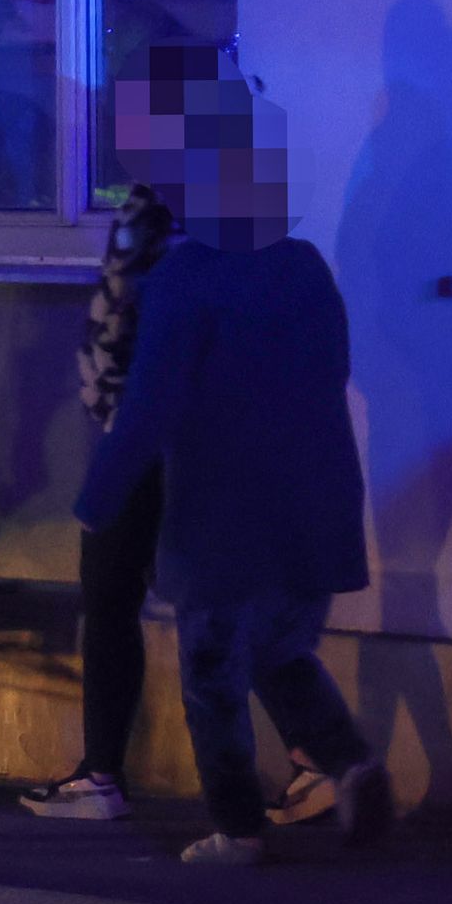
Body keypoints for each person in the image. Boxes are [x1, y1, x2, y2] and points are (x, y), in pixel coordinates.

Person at [72, 67, 392, 863]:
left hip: (223, 507)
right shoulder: (304, 265)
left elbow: (149, 406)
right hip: (314, 495)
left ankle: (237, 827)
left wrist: (98, 496)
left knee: (212, 670)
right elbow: (334, 369)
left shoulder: (189, 277)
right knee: (283, 651)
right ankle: (350, 765)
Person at [27, 61, 193, 823]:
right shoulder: (216, 209)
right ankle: (314, 759)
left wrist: (110, 411)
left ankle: (102, 778)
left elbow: (127, 329)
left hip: (139, 437)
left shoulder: (154, 214)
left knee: (113, 597)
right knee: (216, 604)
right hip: (184, 439)